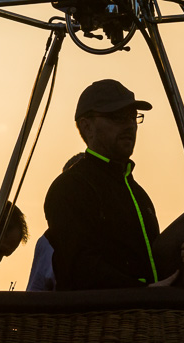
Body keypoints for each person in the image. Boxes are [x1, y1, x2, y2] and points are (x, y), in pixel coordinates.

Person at [43, 79, 167, 290]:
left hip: (146, 318)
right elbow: (79, 266)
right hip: (98, 320)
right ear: (87, 126)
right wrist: (141, 293)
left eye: (132, 117)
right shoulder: (70, 188)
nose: (129, 125)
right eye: (117, 117)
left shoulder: (138, 194)